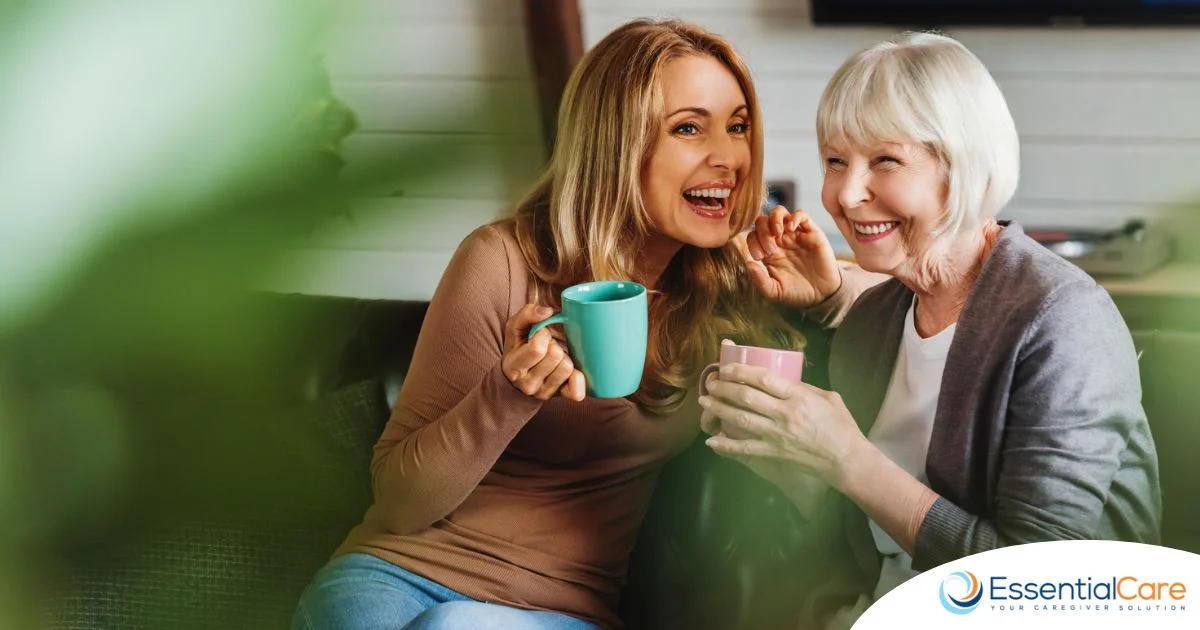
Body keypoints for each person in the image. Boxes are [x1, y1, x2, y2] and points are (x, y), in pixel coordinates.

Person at [291, 18, 803, 630]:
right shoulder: (502, 262)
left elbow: (881, 317)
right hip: (394, 576)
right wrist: (508, 395)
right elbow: (400, 506)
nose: (728, 158)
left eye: (738, 126)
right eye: (689, 128)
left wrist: (824, 296)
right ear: (616, 144)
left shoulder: (732, 293)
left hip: (558, 610)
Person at [698, 32, 1161, 628]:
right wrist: (794, 465)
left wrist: (848, 458)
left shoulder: (1062, 320)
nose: (846, 194)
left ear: (963, 166)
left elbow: (1042, 587)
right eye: (835, 161)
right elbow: (864, 540)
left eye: (885, 161)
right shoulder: (873, 321)